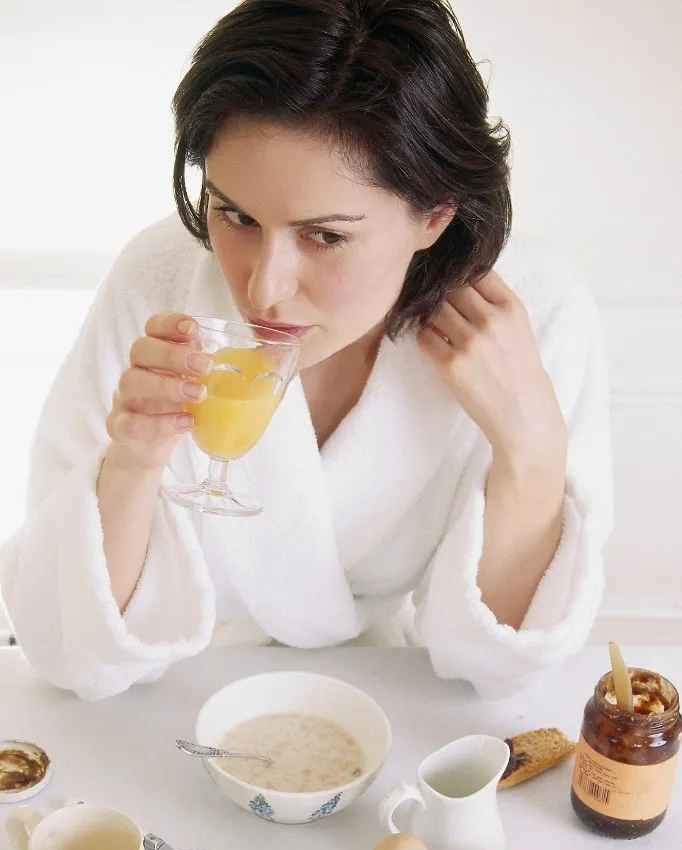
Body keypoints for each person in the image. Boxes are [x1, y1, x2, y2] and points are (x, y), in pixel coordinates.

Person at [0, 0, 612, 701]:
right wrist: (132, 464)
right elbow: (65, 648)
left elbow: (499, 670)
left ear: (435, 215)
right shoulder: (159, 281)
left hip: (388, 697)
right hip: (175, 693)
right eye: (235, 214)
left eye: (326, 236)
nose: (263, 288)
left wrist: (532, 450)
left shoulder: (534, 313)